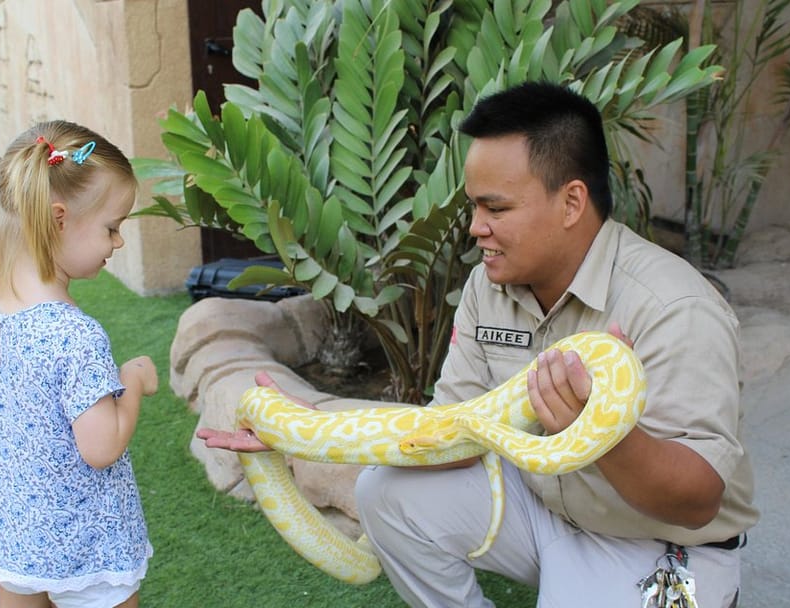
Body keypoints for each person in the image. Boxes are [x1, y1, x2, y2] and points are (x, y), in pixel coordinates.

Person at [199, 81, 759, 607]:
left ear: (571, 202)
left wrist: (600, 434)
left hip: (665, 544)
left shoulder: (675, 306)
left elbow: (697, 502)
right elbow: (451, 436)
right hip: (548, 512)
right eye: (474, 206)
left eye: (497, 208)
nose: (474, 227)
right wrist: (309, 432)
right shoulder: (488, 287)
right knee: (384, 492)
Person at [0, 120, 159, 608]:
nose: (118, 242)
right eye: (112, 227)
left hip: (13, 538)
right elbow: (102, 446)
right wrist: (132, 381)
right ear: (58, 219)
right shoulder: (74, 334)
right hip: (85, 544)